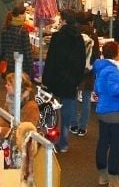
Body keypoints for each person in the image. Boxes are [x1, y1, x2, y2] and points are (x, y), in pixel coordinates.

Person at [41, 9, 86, 153]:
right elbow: (81, 62)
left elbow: (51, 60)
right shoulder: (79, 38)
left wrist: (45, 80)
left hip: (56, 79)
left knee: (52, 110)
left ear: (64, 20)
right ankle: (64, 143)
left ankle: (52, 140)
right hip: (71, 81)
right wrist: (77, 79)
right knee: (67, 112)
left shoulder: (57, 37)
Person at [94, 40, 119, 187]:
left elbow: (98, 89)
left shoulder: (102, 68)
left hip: (103, 110)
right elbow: (114, 90)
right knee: (116, 146)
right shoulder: (113, 71)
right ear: (116, 53)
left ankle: (102, 176)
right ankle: (114, 178)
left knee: (103, 143)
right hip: (115, 111)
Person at [73, 11, 100, 138]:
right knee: (86, 99)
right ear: (90, 22)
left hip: (74, 69)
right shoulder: (93, 35)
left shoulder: (74, 33)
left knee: (73, 97)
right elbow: (96, 55)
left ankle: (73, 124)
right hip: (88, 71)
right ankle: (82, 127)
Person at [0, 72, 40, 137]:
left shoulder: (31, 107)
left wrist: (3, 130)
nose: (5, 86)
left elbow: (26, 133)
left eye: (8, 85)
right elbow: (5, 117)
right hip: (12, 135)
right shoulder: (10, 98)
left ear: (17, 88)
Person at [1, 3, 33, 76]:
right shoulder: (23, 30)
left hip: (8, 60)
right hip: (20, 61)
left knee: (11, 82)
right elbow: (27, 50)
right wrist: (31, 64)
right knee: (19, 84)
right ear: (20, 15)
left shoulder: (5, 27)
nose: (26, 15)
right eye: (25, 13)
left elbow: (3, 47)